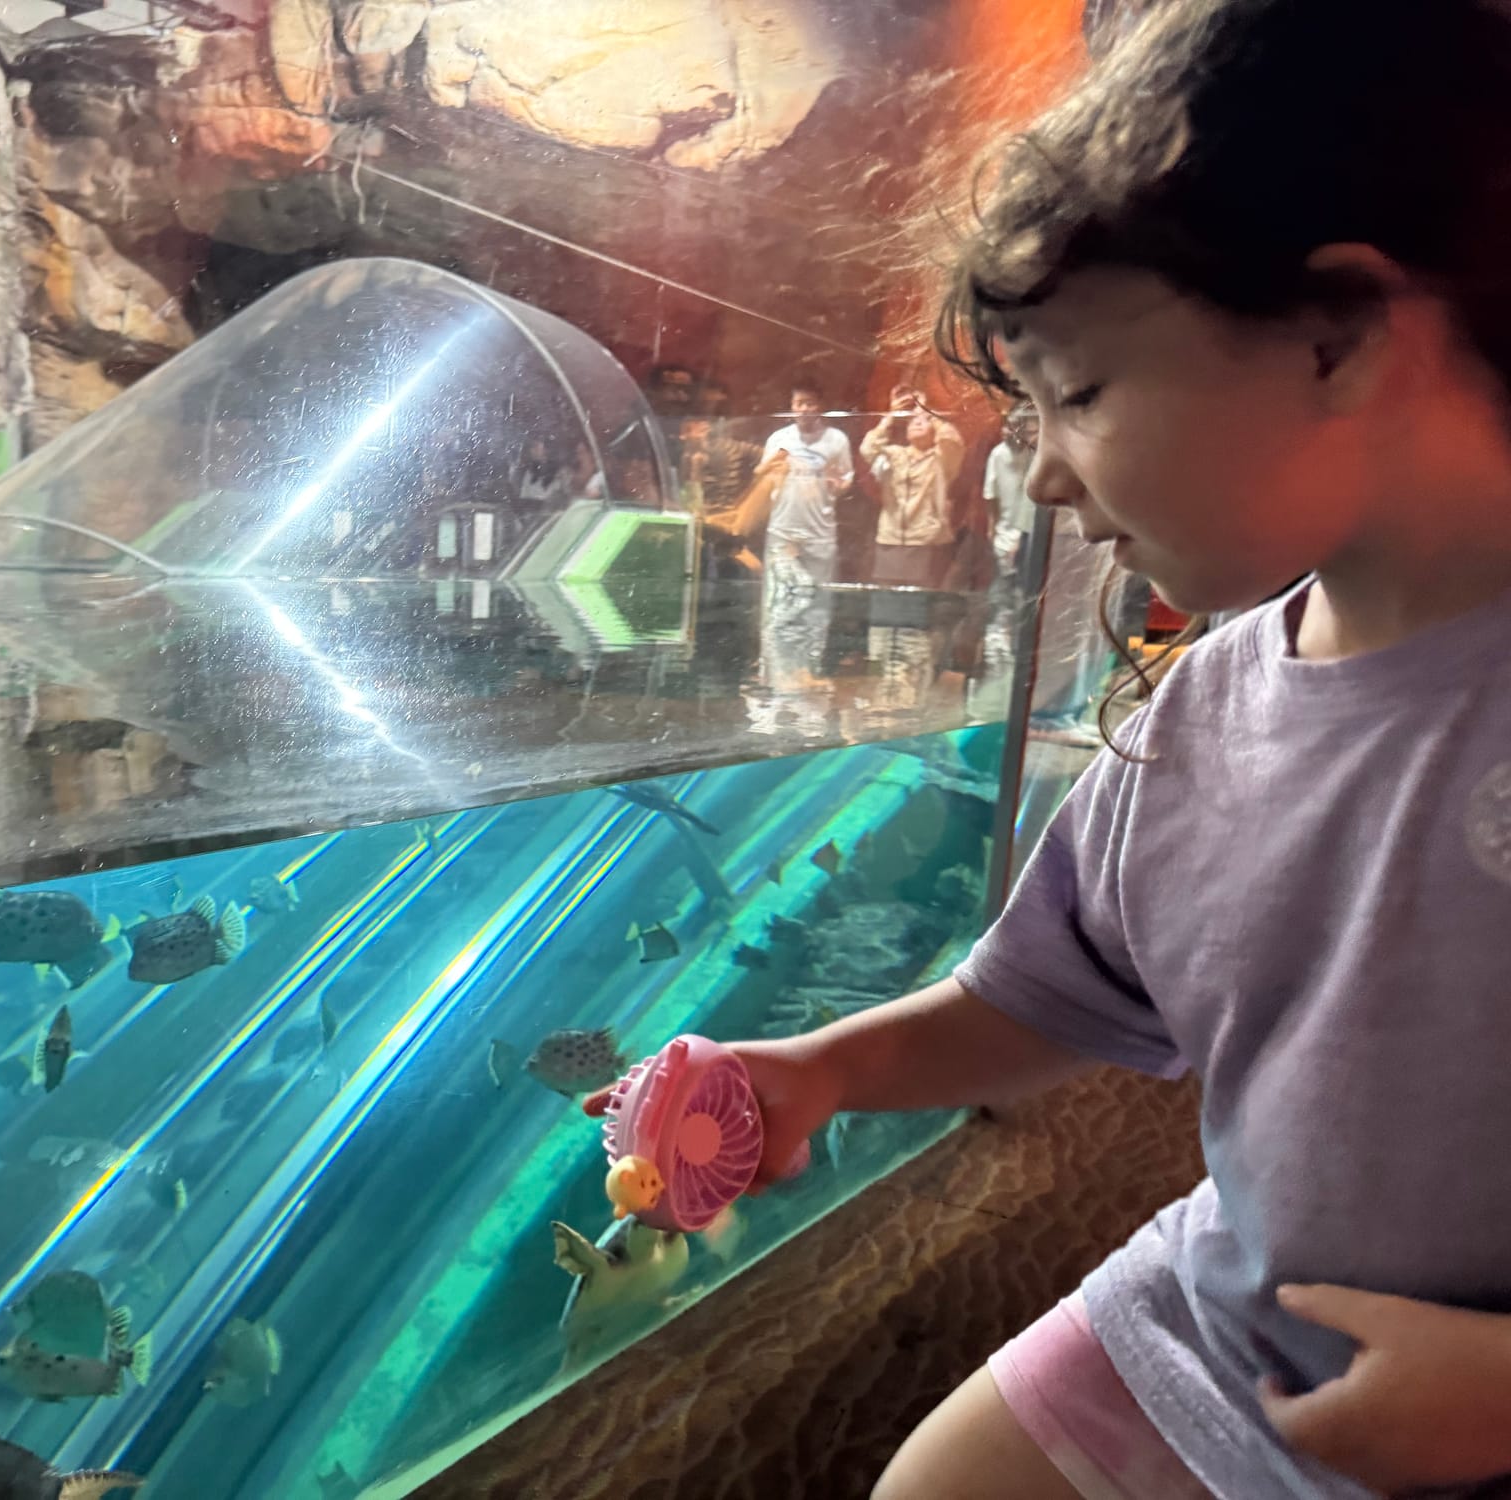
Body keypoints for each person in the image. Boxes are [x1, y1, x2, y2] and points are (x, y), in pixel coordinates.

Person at [588, 2, 1511, 1495]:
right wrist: (821, 1071)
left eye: (1076, 394)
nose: (1038, 478)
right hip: (1227, 1323)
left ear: (1336, 335)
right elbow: (1046, 994)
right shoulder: (1205, 709)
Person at [861, 386, 968, 587]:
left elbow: (952, 440)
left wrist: (927, 412)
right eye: (913, 420)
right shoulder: (895, 454)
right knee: (886, 598)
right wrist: (892, 415)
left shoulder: (941, 459)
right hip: (890, 538)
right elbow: (868, 448)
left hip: (927, 541)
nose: (918, 422)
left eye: (924, 421)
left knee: (922, 598)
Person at [756, 384, 854, 589]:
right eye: (799, 403)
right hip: (783, 529)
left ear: (820, 406)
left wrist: (838, 485)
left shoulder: (837, 439)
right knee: (778, 591)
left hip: (819, 530)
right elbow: (762, 477)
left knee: (819, 592)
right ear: (791, 406)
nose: (804, 409)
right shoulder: (778, 439)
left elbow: (846, 478)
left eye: (810, 403)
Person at [984, 401, 1039, 581]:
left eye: (1017, 427)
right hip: (1004, 537)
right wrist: (992, 530)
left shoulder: (1035, 455)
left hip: (1028, 535)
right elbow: (991, 496)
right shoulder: (997, 454)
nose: (1010, 432)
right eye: (1008, 426)